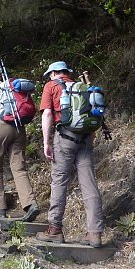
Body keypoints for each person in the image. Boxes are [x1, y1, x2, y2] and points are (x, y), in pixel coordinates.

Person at [35, 61, 105, 247]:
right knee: (89, 183)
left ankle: (54, 229)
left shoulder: (51, 86)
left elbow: (48, 114)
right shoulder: (81, 87)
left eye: (50, 74)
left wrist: (46, 142)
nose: (50, 77)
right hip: (85, 138)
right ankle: (95, 233)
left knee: (59, 181)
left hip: (64, 138)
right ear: (67, 73)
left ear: (54, 73)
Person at [0, 72, 41, 220]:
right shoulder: (13, 88)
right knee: (19, 168)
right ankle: (30, 204)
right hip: (19, 127)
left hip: (1, 126)